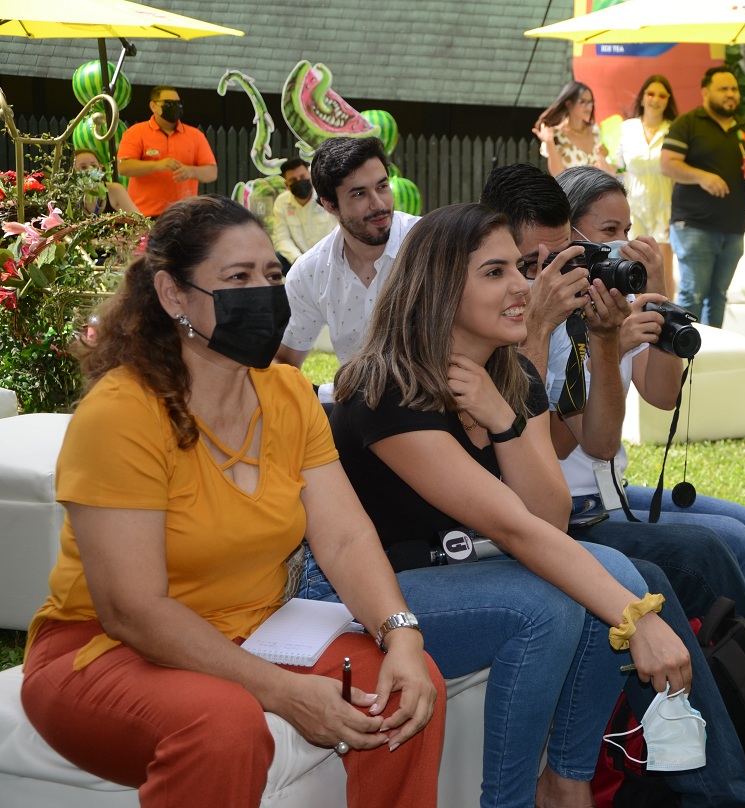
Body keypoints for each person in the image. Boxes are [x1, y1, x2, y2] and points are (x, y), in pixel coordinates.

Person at [479, 165, 745, 808]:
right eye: (527, 264)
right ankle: (730, 789)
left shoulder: (571, 311)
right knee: (664, 572)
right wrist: (537, 332)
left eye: (560, 260)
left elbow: (604, 438)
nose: (548, 276)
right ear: (488, 252)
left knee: (717, 546)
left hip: (579, 506)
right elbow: (540, 489)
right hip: (531, 523)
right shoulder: (485, 317)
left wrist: (605, 340)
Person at [20, 195, 444, 808]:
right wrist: (278, 690)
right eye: (238, 278)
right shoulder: (121, 413)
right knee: (222, 726)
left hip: (261, 630)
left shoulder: (290, 394)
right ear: (172, 295)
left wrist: (400, 634)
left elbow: (345, 537)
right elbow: (133, 611)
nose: (264, 293)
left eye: (272, 275)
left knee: (408, 684)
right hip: (105, 651)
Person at [302, 203, 692, 808]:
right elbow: (514, 528)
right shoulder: (387, 388)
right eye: (494, 272)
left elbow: (550, 520)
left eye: (519, 267)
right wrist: (640, 620)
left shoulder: (509, 378)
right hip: (369, 594)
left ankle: (565, 781)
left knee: (617, 571)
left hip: (460, 571)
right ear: (438, 290)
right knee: (545, 606)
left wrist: (503, 421)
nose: (522, 286)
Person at [481, 161, 745, 607]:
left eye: (628, 228)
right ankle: (729, 662)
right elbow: (566, 443)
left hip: (608, 486)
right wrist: (601, 345)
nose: (623, 243)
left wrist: (655, 298)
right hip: (574, 500)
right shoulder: (527, 313)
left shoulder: (604, 305)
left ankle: (733, 659)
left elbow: (663, 395)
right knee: (725, 543)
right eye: (610, 228)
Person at [275, 137, 419, 368]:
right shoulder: (309, 272)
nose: (379, 204)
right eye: (359, 194)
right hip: (356, 399)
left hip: (436, 398)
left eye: (382, 186)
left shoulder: (430, 245)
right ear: (330, 205)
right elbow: (285, 361)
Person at [661, 65, 745, 328]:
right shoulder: (688, 123)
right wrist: (702, 177)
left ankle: (711, 355)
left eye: (734, 89)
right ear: (706, 93)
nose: (731, 94)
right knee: (693, 293)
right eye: (724, 89)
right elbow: (667, 164)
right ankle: (681, 355)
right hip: (694, 225)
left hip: (733, 227)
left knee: (718, 296)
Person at [614, 74, 678, 298]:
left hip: (665, 206)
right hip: (632, 207)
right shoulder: (627, 128)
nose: (656, 99)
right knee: (634, 271)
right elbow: (616, 166)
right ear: (642, 98)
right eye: (651, 93)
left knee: (664, 272)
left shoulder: (674, 129)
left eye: (662, 95)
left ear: (668, 100)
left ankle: (666, 322)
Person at [117, 86, 218, 217]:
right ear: (153, 106)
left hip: (183, 217)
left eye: (178, 103)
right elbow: (123, 167)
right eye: (169, 103)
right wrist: (157, 165)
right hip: (143, 216)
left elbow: (212, 173)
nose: (175, 107)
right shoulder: (136, 132)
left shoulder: (195, 135)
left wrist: (191, 171)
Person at [268, 156, 337, 274]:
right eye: (293, 180)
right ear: (287, 185)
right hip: (297, 261)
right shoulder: (282, 202)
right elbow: (281, 238)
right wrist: (299, 261)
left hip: (330, 259)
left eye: (302, 177)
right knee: (274, 260)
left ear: (310, 176)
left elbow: (339, 231)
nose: (299, 181)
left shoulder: (326, 196)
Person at [533, 81, 615, 177]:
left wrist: (603, 156)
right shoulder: (556, 135)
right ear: (568, 104)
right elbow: (558, 175)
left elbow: (608, 174)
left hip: (593, 191)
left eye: (590, 102)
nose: (588, 106)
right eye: (582, 102)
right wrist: (549, 142)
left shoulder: (595, 130)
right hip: (569, 191)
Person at [72, 149, 141, 215]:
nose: (90, 170)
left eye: (94, 166)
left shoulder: (115, 190)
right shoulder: (69, 196)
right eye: (83, 167)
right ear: (72, 173)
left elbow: (141, 223)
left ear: (101, 168)